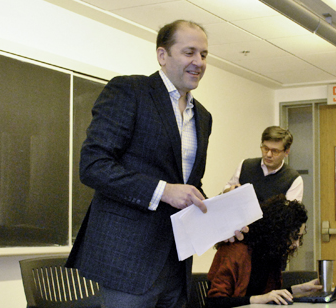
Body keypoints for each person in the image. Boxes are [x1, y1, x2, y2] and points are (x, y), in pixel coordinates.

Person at [66, 20, 245, 308]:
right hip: (129, 262)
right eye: (189, 52)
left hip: (176, 261)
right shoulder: (130, 91)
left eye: (204, 54)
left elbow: (188, 187)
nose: (198, 62)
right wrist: (164, 191)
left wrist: (219, 221)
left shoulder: (203, 116)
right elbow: (93, 165)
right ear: (163, 56)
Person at [206, 195, 321, 307]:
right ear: (278, 233)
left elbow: (268, 296)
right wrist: (258, 299)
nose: (296, 244)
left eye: (300, 237)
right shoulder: (236, 251)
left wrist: (299, 290)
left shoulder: (269, 254)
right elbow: (214, 302)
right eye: (295, 237)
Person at [222, 126, 303, 202]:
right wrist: (230, 191)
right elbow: (225, 191)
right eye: (265, 148)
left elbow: (291, 214)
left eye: (275, 151)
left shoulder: (293, 179)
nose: (268, 154)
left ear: (286, 152)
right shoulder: (245, 165)